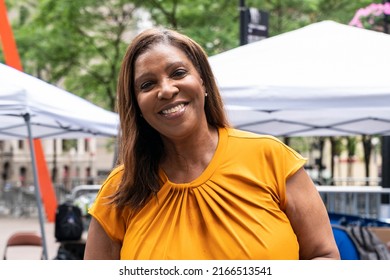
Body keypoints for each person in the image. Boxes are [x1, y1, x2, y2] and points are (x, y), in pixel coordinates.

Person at [84, 27, 340, 260]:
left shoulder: (271, 158)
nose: (166, 90)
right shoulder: (119, 190)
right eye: (147, 84)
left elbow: (325, 255)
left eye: (178, 73)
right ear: (137, 105)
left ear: (203, 81)